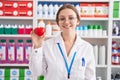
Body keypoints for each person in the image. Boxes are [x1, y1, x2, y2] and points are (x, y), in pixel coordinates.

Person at [29, 4, 96, 80]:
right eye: (62, 19)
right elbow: (36, 72)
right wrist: (37, 46)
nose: (66, 22)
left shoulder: (87, 48)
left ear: (78, 21)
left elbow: (90, 77)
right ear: (58, 23)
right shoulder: (47, 45)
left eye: (71, 18)